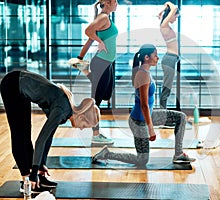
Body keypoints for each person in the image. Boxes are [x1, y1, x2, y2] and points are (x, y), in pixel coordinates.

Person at [92, 44, 196, 166]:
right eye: (155, 56)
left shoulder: (145, 72)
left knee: (181, 117)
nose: (158, 58)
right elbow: (144, 105)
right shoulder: (143, 75)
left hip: (149, 115)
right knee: (142, 160)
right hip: (139, 122)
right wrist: (151, 129)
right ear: (147, 57)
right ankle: (107, 154)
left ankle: (178, 154)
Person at [0, 69, 100, 194]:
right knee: (19, 133)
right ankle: (27, 181)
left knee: (26, 132)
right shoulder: (62, 110)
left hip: (21, 88)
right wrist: (34, 173)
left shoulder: (66, 111)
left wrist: (41, 165)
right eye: (85, 125)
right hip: (12, 85)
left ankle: (37, 179)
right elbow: (40, 141)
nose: (81, 128)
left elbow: (48, 137)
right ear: (81, 116)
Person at [70, 0, 118, 145]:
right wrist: (100, 41)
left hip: (106, 63)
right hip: (101, 62)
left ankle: (84, 70)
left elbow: (89, 40)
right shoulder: (103, 18)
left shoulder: (104, 18)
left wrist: (80, 58)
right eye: (116, 1)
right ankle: (96, 134)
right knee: (96, 100)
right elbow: (88, 32)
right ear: (109, 2)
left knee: (107, 93)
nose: (117, 4)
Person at [157, 1, 180, 109]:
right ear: (170, 15)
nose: (175, 19)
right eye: (175, 16)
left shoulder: (166, 26)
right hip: (169, 59)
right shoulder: (164, 25)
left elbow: (169, 5)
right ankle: (162, 113)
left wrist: (162, 10)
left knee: (167, 88)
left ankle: (163, 112)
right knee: (166, 88)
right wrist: (166, 10)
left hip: (172, 59)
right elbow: (173, 6)